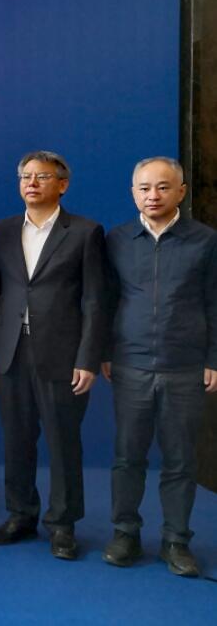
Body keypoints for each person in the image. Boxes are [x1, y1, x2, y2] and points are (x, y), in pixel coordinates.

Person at [0, 150, 107, 560]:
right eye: (25, 176)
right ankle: (20, 514)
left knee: (63, 442)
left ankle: (63, 524)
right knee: (16, 439)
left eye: (41, 177)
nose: (31, 183)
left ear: (62, 185)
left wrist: (88, 358)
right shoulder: (2, 230)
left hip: (62, 354)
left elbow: (95, 301)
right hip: (10, 349)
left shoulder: (85, 232)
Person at [101, 156, 217, 578]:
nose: (153, 195)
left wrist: (214, 359)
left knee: (180, 460)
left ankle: (176, 541)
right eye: (145, 188)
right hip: (130, 365)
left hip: (185, 367)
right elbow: (105, 301)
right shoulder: (117, 239)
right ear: (133, 193)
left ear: (181, 192)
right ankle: (125, 533)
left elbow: (215, 302)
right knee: (127, 457)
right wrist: (104, 352)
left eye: (163, 187)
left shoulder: (205, 241)